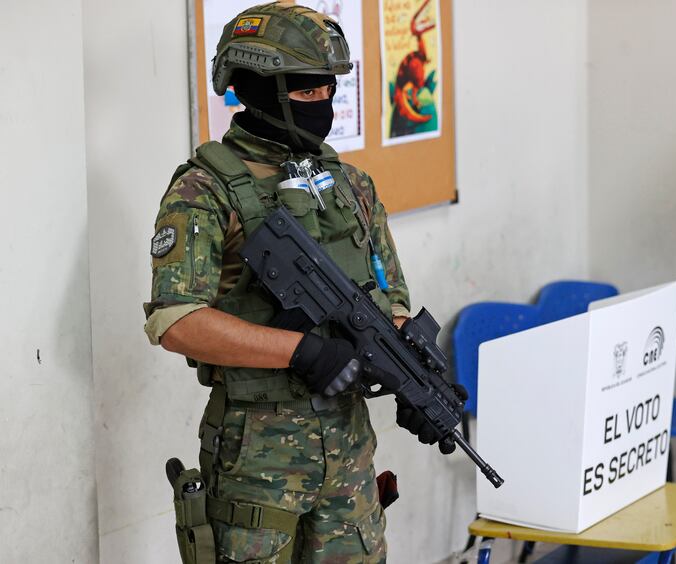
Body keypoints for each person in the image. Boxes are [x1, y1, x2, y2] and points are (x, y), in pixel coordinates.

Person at [144, 4, 460, 563]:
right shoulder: (204, 190)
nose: (325, 106)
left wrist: (417, 373)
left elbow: (389, 301)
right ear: (257, 88)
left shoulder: (352, 186)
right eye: (307, 92)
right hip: (255, 461)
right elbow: (177, 322)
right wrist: (300, 351)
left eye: (328, 91)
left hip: (350, 454)